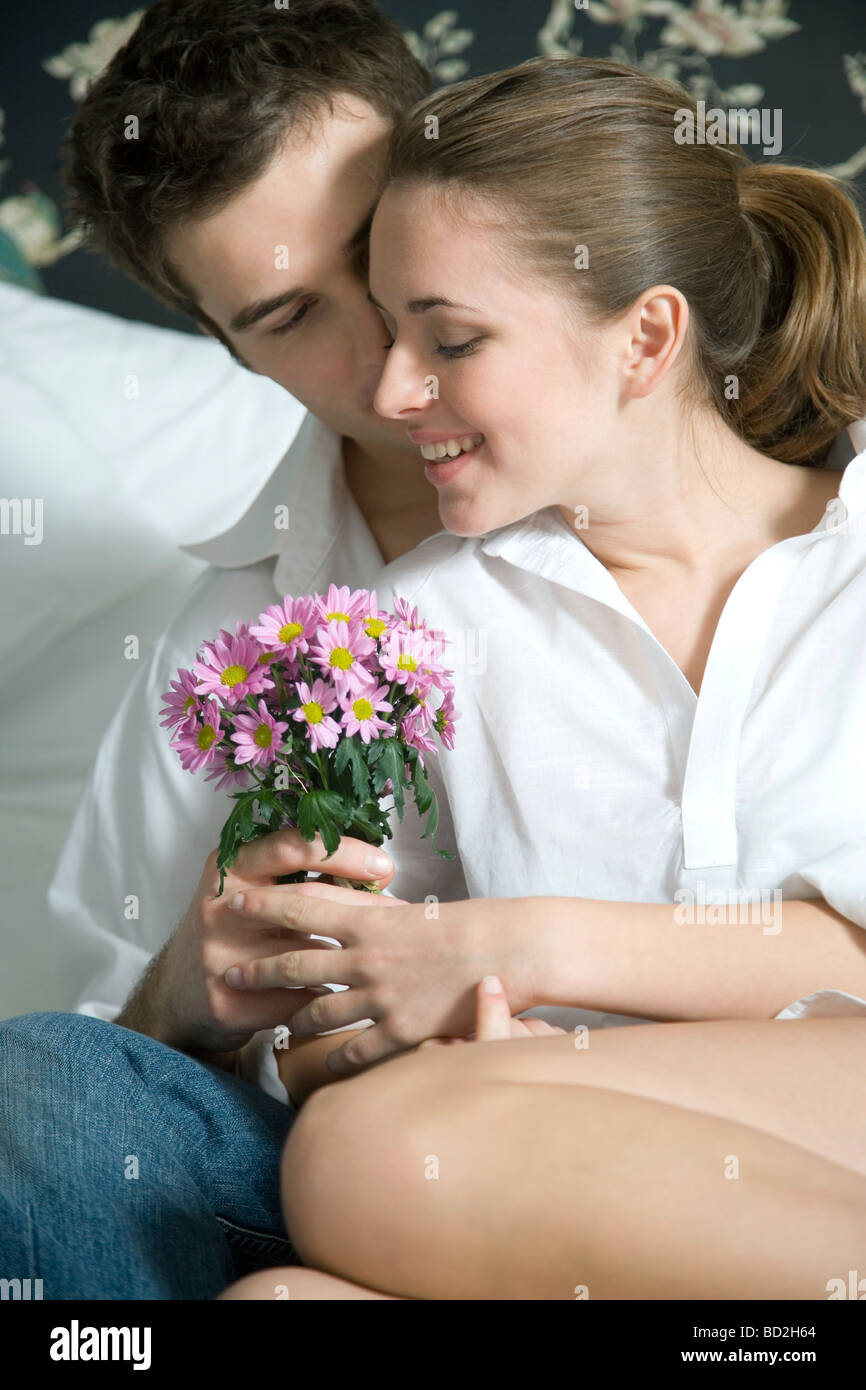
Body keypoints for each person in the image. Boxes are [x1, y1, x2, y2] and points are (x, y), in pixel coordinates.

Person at [216, 56, 866, 1299]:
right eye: (395, 329)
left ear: (646, 337)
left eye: (450, 338)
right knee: (282, 1292)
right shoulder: (407, 636)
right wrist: (364, 1024)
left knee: (376, 1153)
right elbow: (351, 1016)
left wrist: (515, 947)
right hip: (616, 1209)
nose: (394, 389)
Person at [1, 0, 465, 1301]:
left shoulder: (755, 506)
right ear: (229, 352)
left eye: (377, 242)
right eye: (284, 314)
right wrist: (187, 995)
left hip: (669, 1137)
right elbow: (90, 1094)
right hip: (327, 1185)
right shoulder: (218, 641)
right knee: (48, 1073)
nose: (383, 346)